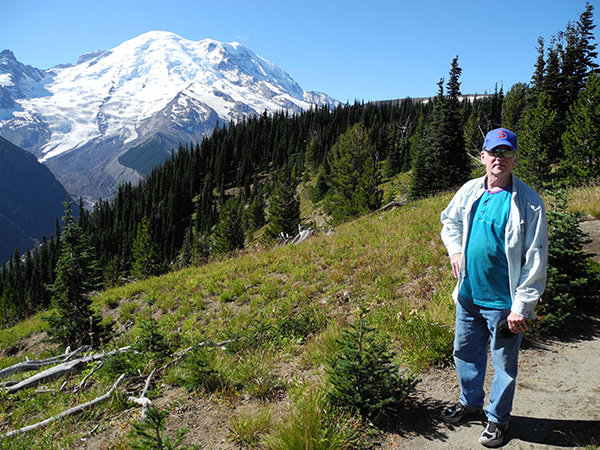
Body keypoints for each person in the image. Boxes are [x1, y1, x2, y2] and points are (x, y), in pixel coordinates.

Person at [439, 128, 548, 447]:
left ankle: (498, 420)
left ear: (514, 158)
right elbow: (450, 222)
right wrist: (455, 251)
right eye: (494, 152)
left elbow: (535, 257)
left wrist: (522, 307)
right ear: (483, 156)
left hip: (504, 304)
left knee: (503, 365)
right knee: (465, 353)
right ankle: (470, 403)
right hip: (469, 296)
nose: (499, 158)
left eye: (506, 152)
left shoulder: (529, 202)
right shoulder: (470, 190)